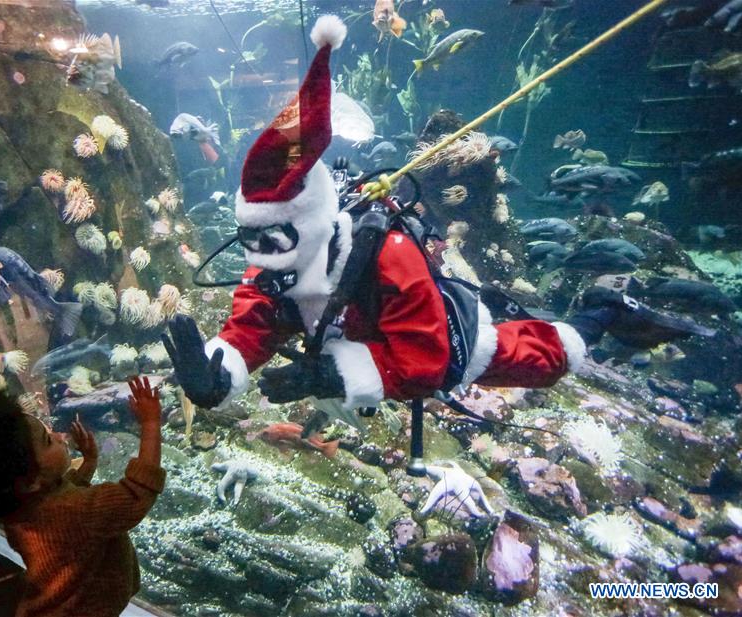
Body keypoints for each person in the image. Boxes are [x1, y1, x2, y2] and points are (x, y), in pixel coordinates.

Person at [162, 15, 710, 418]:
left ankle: (604, 310)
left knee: (544, 356)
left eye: (273, 235)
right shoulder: (273, 256)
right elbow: (254, 317)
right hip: (346, 339)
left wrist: (330, 375)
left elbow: (426, 359)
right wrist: (220, 370)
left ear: (309, 220)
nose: (261, 253)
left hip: (443, 341)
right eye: (250, 238)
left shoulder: (384, 253)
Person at [0, 377, 165, 617]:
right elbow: (135, 494)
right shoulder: (72, 512)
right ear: (30, 482)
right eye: (47, 440)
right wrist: (150, 424)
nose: (58, 436)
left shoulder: (21, 508)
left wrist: (89, 462)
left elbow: (67, 495)